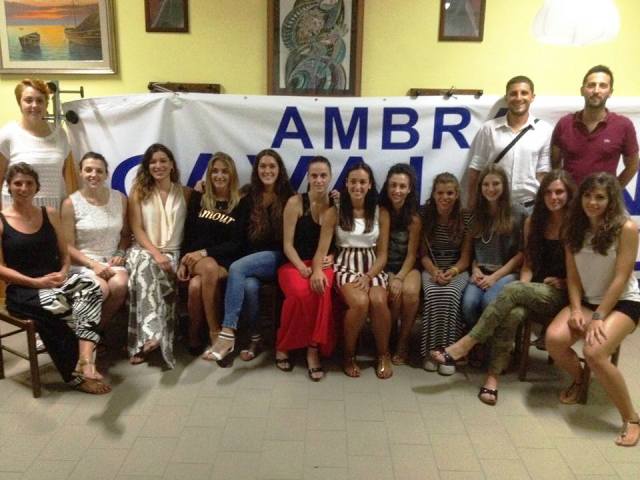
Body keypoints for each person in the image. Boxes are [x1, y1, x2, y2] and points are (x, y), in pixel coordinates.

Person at [430, 170, 575, 404]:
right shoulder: (535, 221)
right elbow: (528, 262)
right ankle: (492, 378)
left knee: (498, 298)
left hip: (559, 291)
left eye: (559, 192)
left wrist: (563, 282)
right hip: (531, 286)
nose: (553, 197)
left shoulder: (574, 226)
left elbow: (580, 271)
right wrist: (524, 289)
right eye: (548, 192)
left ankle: (464, 345)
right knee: (509, 313)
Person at [546, 172, 640, 447]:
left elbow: (621, 277)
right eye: (587, 195)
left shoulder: (626, 228)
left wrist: (599, 316)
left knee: (594, 352)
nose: (592, 202)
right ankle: (580, 379)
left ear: (611, 200)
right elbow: (573, 275)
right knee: (554, 340)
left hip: (623, 301)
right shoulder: (572, 228)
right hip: (588, 300)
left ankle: (632, 418)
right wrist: (576, 309)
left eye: (600, 197)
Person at [0, 163, 110, 394]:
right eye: (18, 183)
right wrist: (36, 282)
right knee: (62, 306)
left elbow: (65, 252)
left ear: (37, 187)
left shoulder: (49, 213)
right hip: (23, 289)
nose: (23, 188)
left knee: (92, 288)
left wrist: (64, 271)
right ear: (9, 186)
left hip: (56, 280)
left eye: (29, 183)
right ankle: (74, 376)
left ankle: (85, 361)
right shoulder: (1, 221)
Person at [210, 149, 294, 361]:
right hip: (252, 259)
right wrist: (201, 189)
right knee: (249, 287)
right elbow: (235, 229)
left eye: (272, 166)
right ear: (257, 170)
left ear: (279, 170)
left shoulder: (289, 197)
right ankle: (256, 339)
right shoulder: (248, 197)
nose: (267, 170)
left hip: (278, 257)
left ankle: (227, 332)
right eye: (263, 166)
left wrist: (334, 198)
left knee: (237, 268)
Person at [318, 162, 393, 379]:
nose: (357, 186)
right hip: (345, 265)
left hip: (372, 267)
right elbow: (322, 249)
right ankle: (348, 355)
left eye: (362, 182)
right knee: (360, 302)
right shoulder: (335, 212)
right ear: (347, 183)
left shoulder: (381, 212)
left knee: (378, 301)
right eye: (353, 181)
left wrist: (369, 276)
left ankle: (383, 354)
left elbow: (383, 255)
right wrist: (317, 268)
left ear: (370, 185)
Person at [126, 144, 190, 367]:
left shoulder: (186, 193)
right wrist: (155, 254)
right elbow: (136, 229)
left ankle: (141, 342)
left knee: (150, 269)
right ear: (147, 166)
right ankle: (152, 333)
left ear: (172, 164)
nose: (158, 165)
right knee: (146, 264)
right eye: (153, 162)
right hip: (143, 249)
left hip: (173, 252)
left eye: (163, 161)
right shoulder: (138, 191)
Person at [177, 152, 243, 359]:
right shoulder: (199, 198)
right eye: (214, 171)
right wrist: (183, 261)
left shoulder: (240, 203)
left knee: (196, 286)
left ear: (232, 175)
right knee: (208, 267)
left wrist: (205, 253)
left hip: (224, 261)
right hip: (196, 260)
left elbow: (237, 243)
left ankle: (197, 333)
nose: (219, 176)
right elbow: (188, 234)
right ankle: (216, 332)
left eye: (224, 171)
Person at [276, 156, 335, 381]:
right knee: (300, 295)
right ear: (308, 178)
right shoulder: (295, 202)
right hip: (293, 264)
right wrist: (301, 267)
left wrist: (330, 259)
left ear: (330, 177)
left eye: (323, 175)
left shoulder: (335, 206)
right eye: (314, 176)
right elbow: (287, 245)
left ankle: (312, 349)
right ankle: (284, 344)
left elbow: (333, 243)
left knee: (323, 289)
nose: (319, 180)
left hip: (321, 263)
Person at [60, 152, 129, 332]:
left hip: (111, 261)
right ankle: (80, 334)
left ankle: (93, 333)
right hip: (83, 262)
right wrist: (93, 264)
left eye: (99, 171)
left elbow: (125, 235)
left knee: (120, 285)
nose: (94, 175)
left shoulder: (120, 199)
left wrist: (120, 253)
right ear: (81, 172)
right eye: (88, 170)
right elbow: (67, 246)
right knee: (100, 288)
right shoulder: (70, 203)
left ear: (106, 174)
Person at [466, 75, 552, 213]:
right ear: (506, 98)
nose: (518, 98)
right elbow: (476, 168)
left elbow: (543, 172)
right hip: (494, 207)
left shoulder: (545, 130)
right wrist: (471, 201)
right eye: (513, 93)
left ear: (532, 97)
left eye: (524, 93)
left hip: (530, 207)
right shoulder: (489, 128)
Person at [551, 65, 639, 187]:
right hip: (570, 198)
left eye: (603, 86)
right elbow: (554, 164)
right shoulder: (564, 123)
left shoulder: (624, 125)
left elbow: (633, 166)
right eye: (591, 85)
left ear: (610, 92)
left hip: (605, 199)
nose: (596, 90)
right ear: (582, 90)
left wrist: (614, 191)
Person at [420, 172, 472, 375]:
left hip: (457, 268)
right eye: (440, 193)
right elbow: (423, 255)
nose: (444, 197)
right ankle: (429, 352)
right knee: (433, 294)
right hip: (431, 268)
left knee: (450, 295)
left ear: (457, 194)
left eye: (449, 193)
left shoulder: (465, 218)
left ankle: (449, 354)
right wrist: (434, 271)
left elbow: (466, 258)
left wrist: (452, 271)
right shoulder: (426, 217)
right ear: (433, 194)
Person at [462, 165, 524, 330]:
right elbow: (473, 251)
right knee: (468, 304)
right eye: (486, 184)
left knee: (488, 301)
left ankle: (490, 342)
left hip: (508, 273)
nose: (490, 189)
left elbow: (522, 254)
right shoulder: (476, 214)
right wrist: (475, 270)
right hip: (481, 272)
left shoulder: (518, 212)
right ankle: (479, 341)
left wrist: (495, 277)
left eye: (496, 184)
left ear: (504, 186)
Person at [0, 79, 75, 209]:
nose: (34, 105)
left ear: (46, 104)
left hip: (52, 212)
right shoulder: (8, 134)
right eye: (28, 100)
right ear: (19, 103)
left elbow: (70, 181)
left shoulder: (60, 134)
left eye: (40, 100)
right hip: (16, 212)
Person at [379, 163, 421, 365]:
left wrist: (399, 277)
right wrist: (389, 276)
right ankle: (388, 339)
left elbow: (412, 255)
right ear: (387, 187)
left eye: (402, 186)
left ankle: (403, 342)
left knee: (410, 293)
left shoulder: (414, 218)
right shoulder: (381, 212)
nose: (397, 190)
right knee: (393, 296)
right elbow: (380, 252)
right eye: (393, 185)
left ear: (410, 189)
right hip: (384, 266)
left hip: (408, 266)